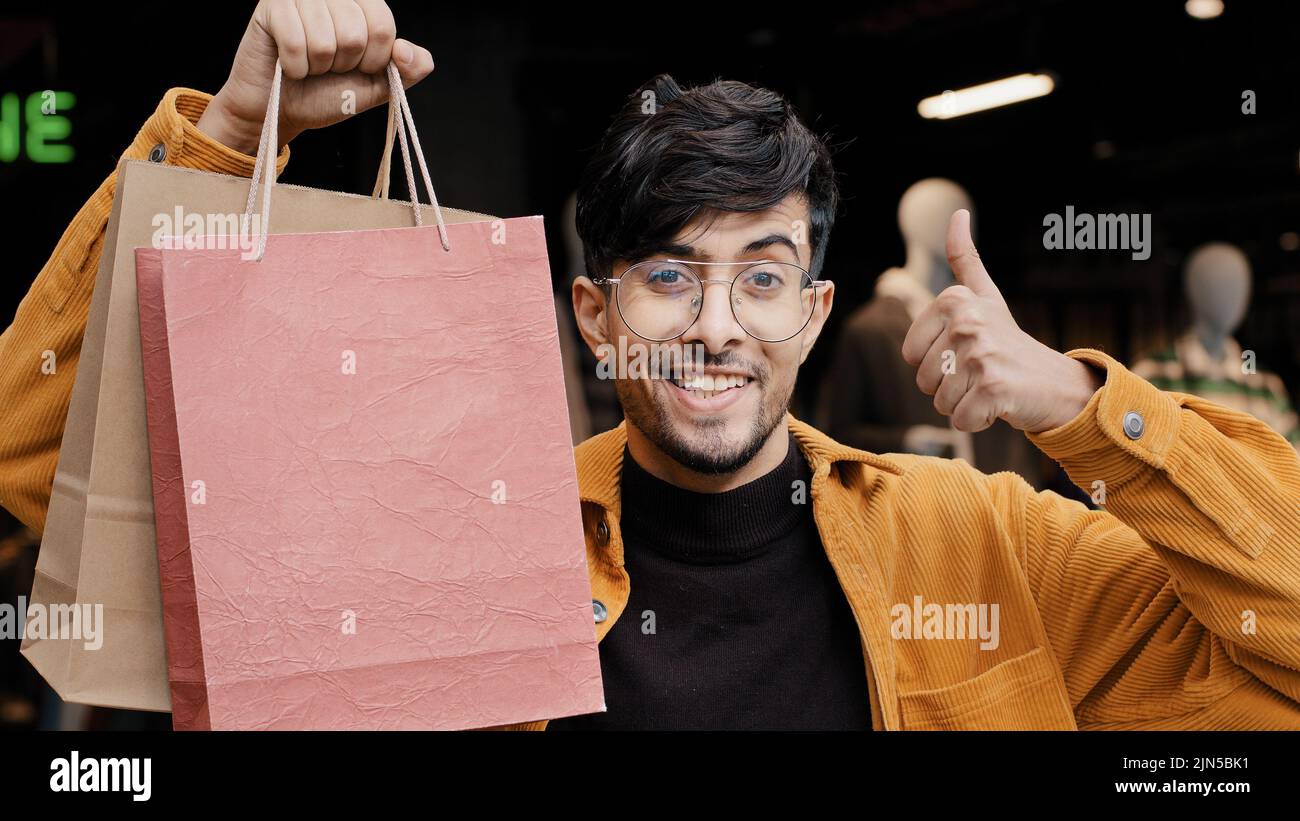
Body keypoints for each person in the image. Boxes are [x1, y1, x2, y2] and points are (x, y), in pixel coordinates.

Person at [1, 0, 1298, 730]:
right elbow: (41, 476)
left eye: (767, 276)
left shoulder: (992, 545)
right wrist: (228, 142)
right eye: (671, 274)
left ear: (815, 309)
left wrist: (1085, 409)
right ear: (594, 313)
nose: (719, 324)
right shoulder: (451, 544)